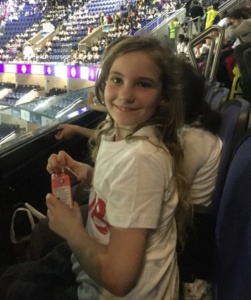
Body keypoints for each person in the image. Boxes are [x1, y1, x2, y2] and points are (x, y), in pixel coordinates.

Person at [0, 35, 191, 300]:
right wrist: (90, 176)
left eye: (143, 84)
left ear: (164, 97)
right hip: (91, 263)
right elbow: (122, 193)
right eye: (117, 79)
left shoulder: (142, 160)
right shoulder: (120, 132)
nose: (125, 94)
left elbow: (119, 279)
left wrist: (71, 230)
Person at [178, 61, 222, 300]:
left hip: (187, 231)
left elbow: (167, 195)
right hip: (188, 223)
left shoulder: (192, 139)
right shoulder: (198, 126)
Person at [226, 8, 251, 102]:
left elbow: (231, 34)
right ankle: (246, 80)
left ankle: (246, 80)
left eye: (234, 22)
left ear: (240, 19)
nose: (233, 25)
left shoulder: (246, 23)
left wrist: (229, 26)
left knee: (240, 50)